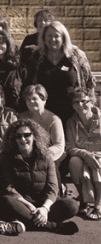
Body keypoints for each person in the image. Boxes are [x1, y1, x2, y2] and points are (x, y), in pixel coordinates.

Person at [0, 119, 80, 234]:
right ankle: (53, 226)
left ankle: (28, 222)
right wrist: (30, 206)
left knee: (72, 205)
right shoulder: (6, 158)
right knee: (7, 200)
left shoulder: (46, 157)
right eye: (18, 136)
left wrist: (44, 209)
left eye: (27, 135)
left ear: (34, 136)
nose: (23, 139)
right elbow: (9, 189)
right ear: (13, 139)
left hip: (44, 205)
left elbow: (52, 188)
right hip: (22, 205)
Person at [23, 21, 93, 122]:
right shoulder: (36, 57)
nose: (53, 39)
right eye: (49, 36)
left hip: (73, 113)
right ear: (44, 39)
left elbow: (89, 82)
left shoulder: (77, 55)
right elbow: (29, 84)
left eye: (57, 36)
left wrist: (91, 106)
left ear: (63, 38)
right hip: (44, 113)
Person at [65, 87, 101, 220]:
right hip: (82, 155)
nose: (81, 105)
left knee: (99, 163)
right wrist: (85, 154)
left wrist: (95, 156)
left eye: (84, 101)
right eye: (76, 102)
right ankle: (84, 201)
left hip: (99, 155)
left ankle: (98, 204)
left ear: (92, 102)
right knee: (74, 161)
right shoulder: (70, 122)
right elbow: (70, 147)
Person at [18, 85, 66, 166]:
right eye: (28, 99)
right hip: (25, 156)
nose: (31, 102)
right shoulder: (21, 117)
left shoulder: (54, 119)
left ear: (44, 100)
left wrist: (42, 155)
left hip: (49, 157)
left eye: (34, 99)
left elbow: (59, 145)